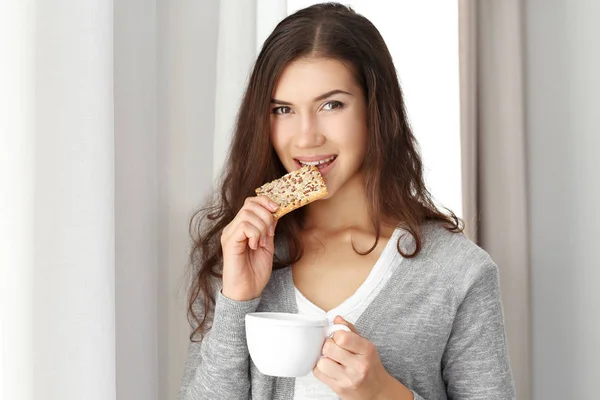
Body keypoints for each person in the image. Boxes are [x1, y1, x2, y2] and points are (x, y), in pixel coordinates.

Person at [179, 3, 515, 399]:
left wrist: (384, 393)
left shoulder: (457, 272)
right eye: (283, 109)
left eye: (331, 105)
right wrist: (238, 298)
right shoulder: (242, 251)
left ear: (376, 109)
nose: (305, 137)